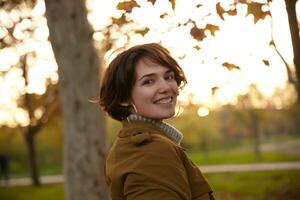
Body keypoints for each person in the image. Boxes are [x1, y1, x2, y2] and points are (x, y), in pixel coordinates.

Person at [100, 43, 214, 200]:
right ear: (123, 98)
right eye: (148, 81)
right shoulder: (151, 150)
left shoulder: (128, 144)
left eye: (169, 77)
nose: (166, 87)